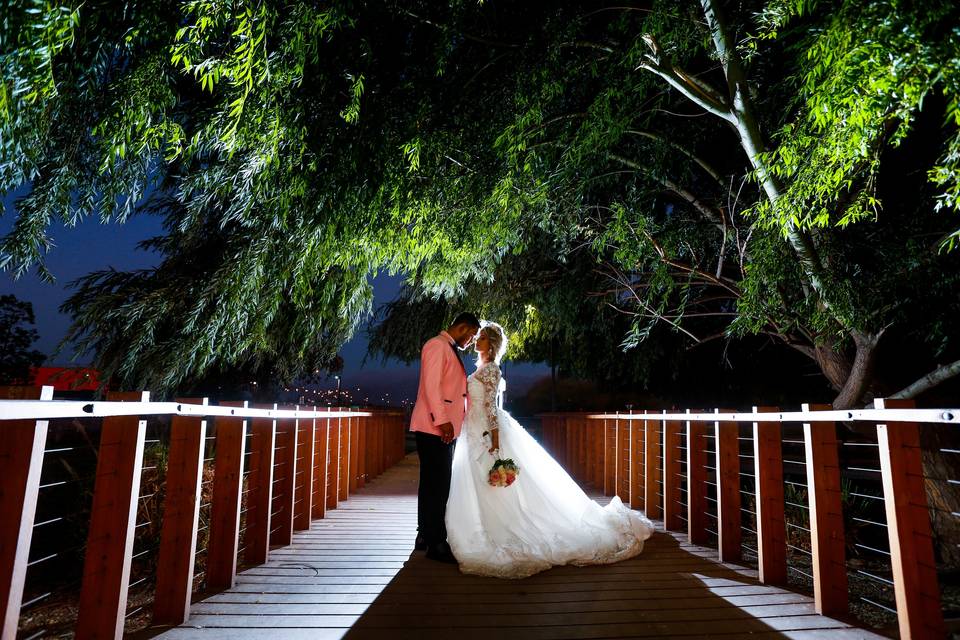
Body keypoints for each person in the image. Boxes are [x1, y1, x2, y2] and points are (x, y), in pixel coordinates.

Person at [445, 321, 654, 578]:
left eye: (483, 338)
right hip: (472, 428)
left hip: (485, 430)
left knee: (492, 479)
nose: (477, 341)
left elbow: (489, 406)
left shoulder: (491, 370)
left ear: (492, 344)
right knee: (475, 479)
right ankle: (478, 525)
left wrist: (495, 440)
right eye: (478, 337)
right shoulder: (480, 368)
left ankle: (499, 528)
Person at [410, 312, 482, 563]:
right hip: (435, 427)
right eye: (471, 336)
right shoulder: (436, 345)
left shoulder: (446, 348)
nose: (471, 342)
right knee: (438, 485)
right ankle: (437, 543)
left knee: (431, 483)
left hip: (440, 427)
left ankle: (425, 535)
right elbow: (431, 386)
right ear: (463, 328)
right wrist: (442, 421)